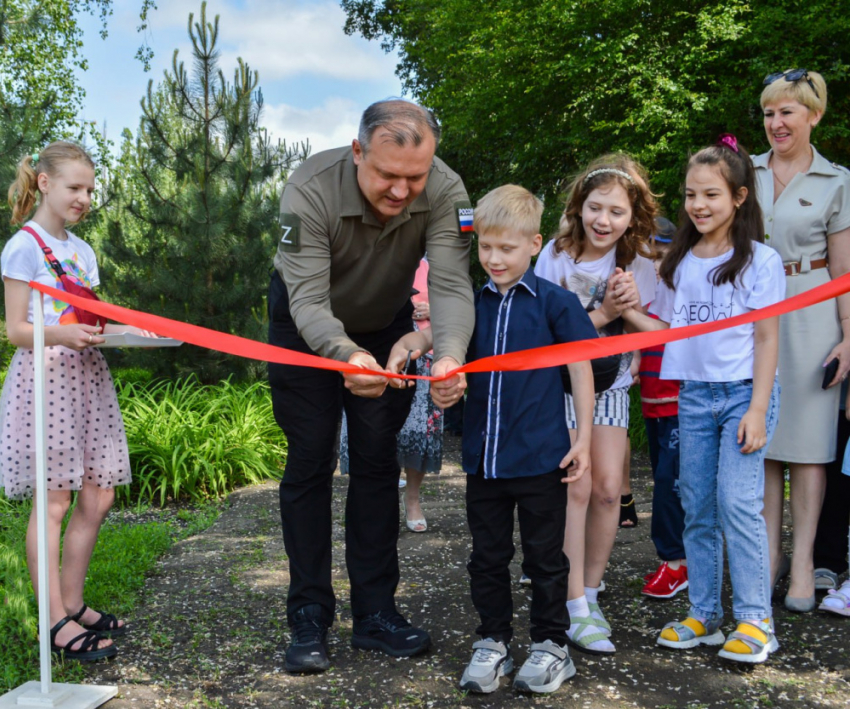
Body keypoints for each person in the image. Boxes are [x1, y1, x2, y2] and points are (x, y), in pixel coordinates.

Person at [267, 99, 474, 673]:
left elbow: (453, 285)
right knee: (309, 460)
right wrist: (346, 354)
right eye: (387, 175)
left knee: (379, 462)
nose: (403, 190)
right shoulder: (307, 188)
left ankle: (376, 614)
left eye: (416, 177)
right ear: (357, 151)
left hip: (386, 323)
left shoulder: (448, 190)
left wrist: (450, 356)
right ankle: (308, 616)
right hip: (303, 327)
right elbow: (307, 300)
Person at [387, 185, 596, 694]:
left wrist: (584, 438)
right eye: (485, 247)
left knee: (546, 559)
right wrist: (409, 343)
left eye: (506, 248)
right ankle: (493, 642)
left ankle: (552, 646)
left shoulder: (556, 303)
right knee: (486, 557)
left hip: (543, 458)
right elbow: (436, 335)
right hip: (484, 461)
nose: (494, 259)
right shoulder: (471, 303)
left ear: (533, 244)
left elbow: (582, 366)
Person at [622, 135, 785, 663]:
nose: (698, 205)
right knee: (696, 505)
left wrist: (759, 408)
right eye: (691, 194)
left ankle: (757, 621)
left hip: (743, 395)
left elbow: (766, 338)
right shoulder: (682, 260)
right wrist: (626, 311)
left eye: (711, 194)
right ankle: (706, 615)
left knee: (739, 505)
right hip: (692, 397)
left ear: (738, 197)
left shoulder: (761, 260)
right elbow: (667, 331)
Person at [1, 142, 153, 661]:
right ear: (44, 183)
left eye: (89, 189)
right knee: (56, 500)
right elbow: (17, 330)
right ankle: (54, 623)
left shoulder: (84, 251)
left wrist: (132, 330)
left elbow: (91, 320)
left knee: (98, 495)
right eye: (74, 187)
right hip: (46, 377)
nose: (84, 197)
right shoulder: (25, 245)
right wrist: (63, 338)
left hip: (87, 376)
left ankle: (73, 603)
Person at [535, 154, 659, 654]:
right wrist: (607, 309)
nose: (604, 220)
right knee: (577, 488)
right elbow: (545, 332)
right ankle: (572, 604)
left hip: (611, 385)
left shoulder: (643, 265)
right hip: (562, 385)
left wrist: (630, 310)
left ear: (633, 216)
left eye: (616, 211)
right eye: (595, 208)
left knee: (609, 490)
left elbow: (658, 333)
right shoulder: (556, 256)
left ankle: (590, 589)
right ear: (578, 207)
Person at [754, 70, 850, 613]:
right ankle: (765, 561)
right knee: (763, 444)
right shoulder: (744, 170)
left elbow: (844, 271)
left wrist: (849, 339)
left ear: (813, 116)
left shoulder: (837, 180)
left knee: (810, 450)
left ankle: (803, 566)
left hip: (815, 313)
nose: (776, 123)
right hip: (756, 313)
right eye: (769, 113)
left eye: (787, 112)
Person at [338, 258, 444, 532]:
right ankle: (381, 508)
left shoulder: (435, 265)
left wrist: (431, 310)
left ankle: (412, 500)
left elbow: (458, 310)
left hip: (426, 359)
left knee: (418, 433)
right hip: (377, 358)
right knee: (377, 440)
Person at [636, 218, 688, 599]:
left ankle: (676, 563)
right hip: (651, 402)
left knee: (672, 484)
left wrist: (625, 312)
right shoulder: (642, 290)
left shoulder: (680, 287)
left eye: (662, 254)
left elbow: (665, 332)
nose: (655, 264)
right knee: (661, 478)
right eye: (648, 256)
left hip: (679, 400)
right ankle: (676, 559)